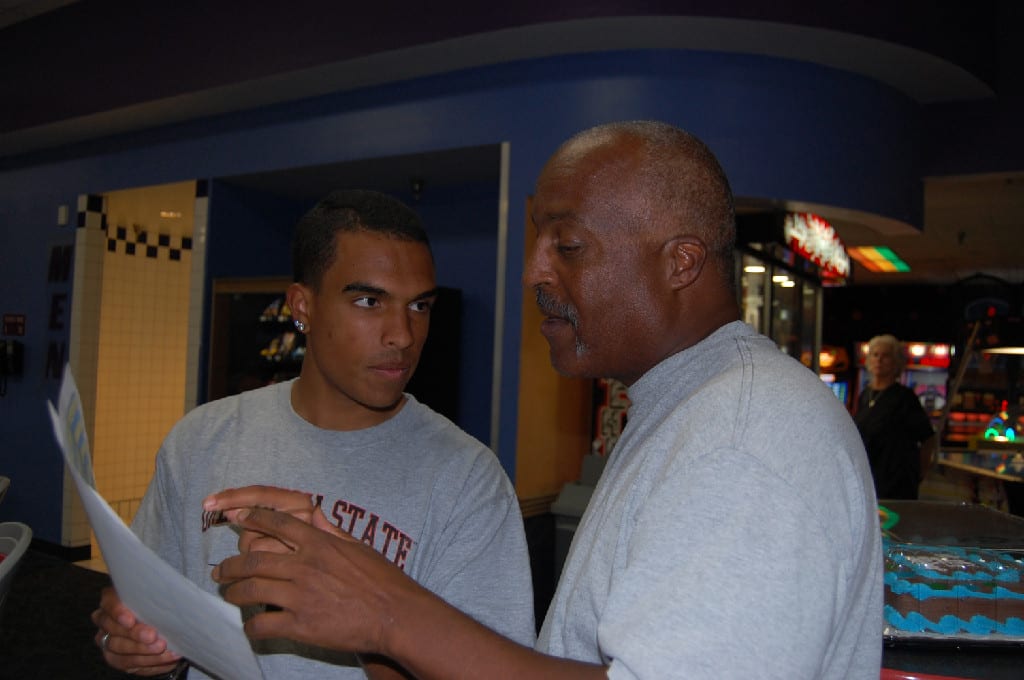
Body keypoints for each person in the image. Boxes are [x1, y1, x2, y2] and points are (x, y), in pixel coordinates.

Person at [207, 121, 883, 678]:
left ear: (681, 262)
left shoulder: (742, 441)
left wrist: (385, 611)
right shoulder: (693, 411)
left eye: (567, 244)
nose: (533, 269)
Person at [90, 189, 536, 679]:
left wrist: (370, 614)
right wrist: (136, 639)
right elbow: (150, 606)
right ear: (303, 306)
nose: (403, 335)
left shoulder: (469, 481)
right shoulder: (201, 439)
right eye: (369, 301)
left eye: (420, 306)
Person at [854, 333, 938, 500]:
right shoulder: (865, 395)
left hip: (896, 485)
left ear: (896, 362)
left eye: (885, 356)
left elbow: (928, 438)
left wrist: (919, 473)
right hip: (869, 481)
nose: (879, 360)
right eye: (875, 355)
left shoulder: (904, 397)